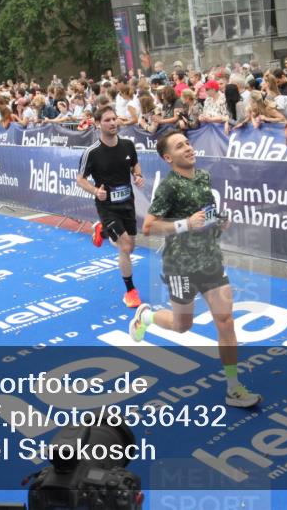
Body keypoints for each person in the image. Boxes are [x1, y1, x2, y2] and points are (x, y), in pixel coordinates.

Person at [131, 129, 262, 408]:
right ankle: (147, 318)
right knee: (182, 325)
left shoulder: (203, 177)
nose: (188, 148)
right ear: (168, 157)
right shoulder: (169, 186)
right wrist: (184, 224)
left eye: (188, 143)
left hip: (210, 259)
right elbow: (149, 226)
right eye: (180, 146)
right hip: (180, 264)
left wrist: (220, 220)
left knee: (225, 321)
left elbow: (207, 214)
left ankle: (233, 387)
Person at [77, 107, 145, 308]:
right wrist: (95, 191)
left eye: (114, 119)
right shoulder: (92, 152)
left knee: (130, 247)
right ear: (98, 124)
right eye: (107, 120)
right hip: (107, 207)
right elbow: (80, 180)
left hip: (127, 204)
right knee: (124, 245)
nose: (113, 123)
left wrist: (138, 175)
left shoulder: (128, 145)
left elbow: (135, 164)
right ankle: (131, 291)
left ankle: (103, 231)